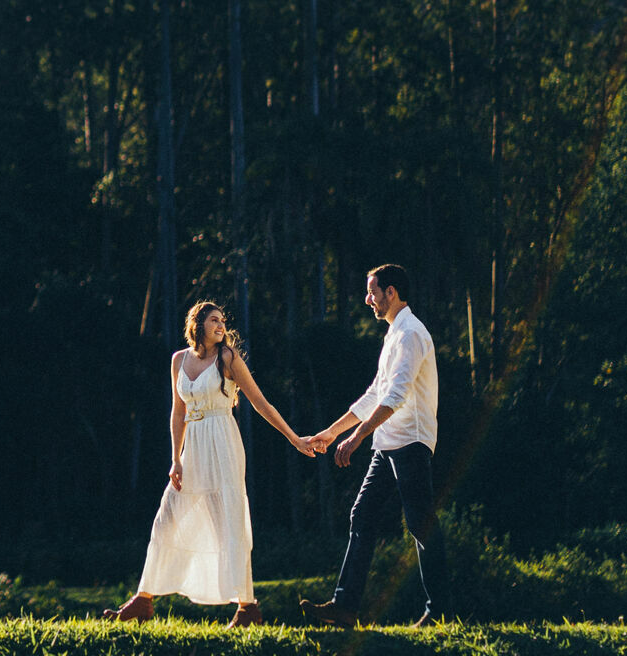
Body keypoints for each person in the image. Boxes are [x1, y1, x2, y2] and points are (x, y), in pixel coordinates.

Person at [104, 301, 317, 626]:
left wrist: (294, 438)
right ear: (198, 324)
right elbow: (178, 412)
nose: (221, 325)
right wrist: (175, 459)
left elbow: (260, 402)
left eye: (222, 320)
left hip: (223, 441)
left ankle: (248, 607)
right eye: (214, 320)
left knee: (228, 521)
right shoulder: (179, 360)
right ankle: (143, 600)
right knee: (166, 518)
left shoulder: (228, 358)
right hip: (193, 448)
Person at [301, 263, 453, 628]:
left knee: (420, 523)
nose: (368, 299)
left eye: (373, 292)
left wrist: (357, 438)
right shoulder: (393, 335)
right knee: (362, 516)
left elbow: (397, 396)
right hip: (388, 442)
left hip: (411, 440)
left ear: (392, 292)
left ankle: (440, 612)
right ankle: (345, 608)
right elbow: (375, 394)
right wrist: (333, 432)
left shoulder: (411, 334)